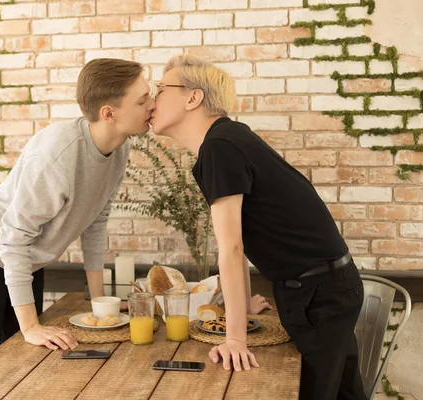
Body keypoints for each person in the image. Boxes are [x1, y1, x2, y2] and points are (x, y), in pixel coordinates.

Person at [149, 54, 366, 400]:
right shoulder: (225, 140)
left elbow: (232, 247)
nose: (152, 99)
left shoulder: (220, 147)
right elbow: (244, 238)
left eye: (160, 89)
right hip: (321, 289)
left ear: (193, 98)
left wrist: (235, 337)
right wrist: (245, 309)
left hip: (320, 296)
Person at [0, 58, 155, 380]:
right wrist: (30, 326)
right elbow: (13, 238)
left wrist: (100, 303)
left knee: (22, 364)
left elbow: (96, 221)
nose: (153, 105)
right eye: (143, 100)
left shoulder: (119, 148)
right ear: (109, 113)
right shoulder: (57, 156)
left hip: (25, 262)